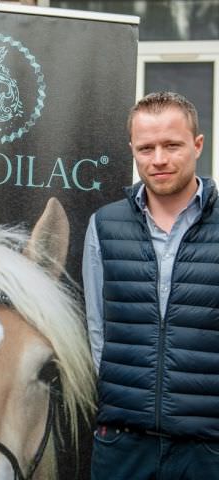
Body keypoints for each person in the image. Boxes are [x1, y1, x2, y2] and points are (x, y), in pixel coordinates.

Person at [83, 91, 219, 479]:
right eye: (146, 148)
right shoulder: (105, 225)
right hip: (123, 445)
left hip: (207, 449)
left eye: (171, 145)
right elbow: (98, 329)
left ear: (197, 145)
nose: (158, 159)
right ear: (132, 150)